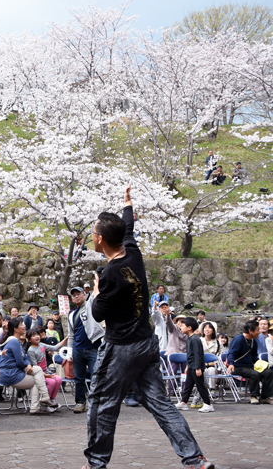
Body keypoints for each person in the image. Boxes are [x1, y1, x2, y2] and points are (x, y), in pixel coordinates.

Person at [85, 184, 212, 469]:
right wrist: (127, 204)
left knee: (101, 403)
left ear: (100, 240)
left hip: (121, 349)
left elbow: (96, 313)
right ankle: (195, 459)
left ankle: (95, 463)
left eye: (93, 233)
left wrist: (95, 290)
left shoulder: (109, 274)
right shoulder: (133, 254)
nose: (91, 236)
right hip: (147, 344)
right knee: (160, 403)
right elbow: (128, 230)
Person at [0, 318, 56, 414]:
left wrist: (28, 364)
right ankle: (40, 402)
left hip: (15, 372)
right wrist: (26, 365)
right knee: (38, 378)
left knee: (37, 371)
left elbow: (24, 357)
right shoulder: (14, 342)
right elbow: (20, 362)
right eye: (22, 324)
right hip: (10, 374)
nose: (24, 326)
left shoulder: (18, 341)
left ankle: (42, 401)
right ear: (16, 329)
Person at [66, 286, 104, 414]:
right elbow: (71, 335)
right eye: (74, 295)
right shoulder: (71, 315)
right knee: (78, 377)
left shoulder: (90, 305)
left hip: (93, 347)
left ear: (84, 295)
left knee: (96, 376)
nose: (76, 296)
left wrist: (97, 280)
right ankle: (80, 402)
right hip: (77, 349)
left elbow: (96, 294)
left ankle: (97, 402)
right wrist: (70, 351)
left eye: (79, 294)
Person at [227, 320, 273, 405]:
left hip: (249, 366)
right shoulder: (238, 339)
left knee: (268, 372)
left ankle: (265, 397)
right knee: (254, 374)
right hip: (237, 367)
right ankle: (254, 396)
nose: (259, 332)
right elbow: (231, 353)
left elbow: (254, 357)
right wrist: (230, 364)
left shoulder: (253, 341)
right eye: (257, 330)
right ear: (250, 331)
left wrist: (261, 364)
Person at [174, 317, 214, 413]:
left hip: (196, 367)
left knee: (200, 386)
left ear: (189, 328)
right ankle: (183, 403)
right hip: (192, 366)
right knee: (188, 385)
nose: (181, 327)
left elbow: (197, 354)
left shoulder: (195, 339)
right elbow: (190, 355)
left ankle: (208, 404)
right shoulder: (189, 338)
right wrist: (188, 366)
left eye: (183, 326)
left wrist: (198, 367)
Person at [26, 329, 64, 411]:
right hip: (39, 373)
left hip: (46, 371)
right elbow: (35, 368)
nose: (37, 336)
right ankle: (45, 402)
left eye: (37, 334)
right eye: (33, 336)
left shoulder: (42, 345)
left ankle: (52, 399)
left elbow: (55, 347)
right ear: (29, 340)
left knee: (58, 379)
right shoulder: (30, 351)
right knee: (52, 381)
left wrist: (66, 339)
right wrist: (47, 375)